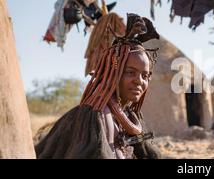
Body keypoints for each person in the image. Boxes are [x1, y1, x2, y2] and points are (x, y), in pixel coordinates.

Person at [36, 13, 161, 159]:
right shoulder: (99, 114)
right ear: (113, 72)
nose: (139, 81)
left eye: (145, 76)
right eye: (130, 72)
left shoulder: (128, 114)